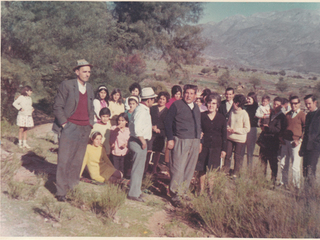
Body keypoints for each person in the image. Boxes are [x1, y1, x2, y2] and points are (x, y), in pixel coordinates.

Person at [52, 59, 94, 202]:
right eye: (84, 71)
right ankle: (61, 192)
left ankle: (71, 189)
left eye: (89, 71)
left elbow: (91, 108)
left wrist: (91, 124)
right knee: (64, 160)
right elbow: (57, 106)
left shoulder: (90, 88)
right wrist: (64, 124)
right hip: (70, 127)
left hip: (84, 128)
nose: (87, 74)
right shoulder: (67, 85)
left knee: (77, 161)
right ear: (77, 72)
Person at [164, 84, 201, 206]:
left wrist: (199, 141)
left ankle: (183, 192)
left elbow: (198, 125)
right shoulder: (176, 105)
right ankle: (175, 195)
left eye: (191, 93)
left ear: (195, 95)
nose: (188, 95)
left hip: (194, 141)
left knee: (189, 168)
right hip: (180, 139)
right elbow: (167, 122)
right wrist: (170, 139)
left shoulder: (196, 107)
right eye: (187, 93)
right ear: (183, 93)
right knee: (178, 168)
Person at [127, 87, 157, 202]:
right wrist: (143, 141)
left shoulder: (142, 109)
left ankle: (136, 191)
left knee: (139, 168)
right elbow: (137, 127)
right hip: (138, 141)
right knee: (137, 168)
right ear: (148, 99)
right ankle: (133, 193)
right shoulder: (141, 110)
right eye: (153, 99)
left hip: (139, 141)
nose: (154, 101)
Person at [196, 92, 227, 195]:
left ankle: (211, 191)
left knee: (212, 170)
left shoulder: (221, 118)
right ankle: (201, 190)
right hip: (203, 147)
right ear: (206, 104)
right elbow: (198, 130)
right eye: (209, 103)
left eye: (214, 103)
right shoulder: (201, 116)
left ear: (217, 105)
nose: (211, 105)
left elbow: (224, 135)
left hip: (216, 148)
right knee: (202, 169)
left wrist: (224, 149)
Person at [258, 97, 287, 185]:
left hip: (273, 141)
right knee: (262, 159)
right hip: (264, 140)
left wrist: (268, 127)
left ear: (281, 105)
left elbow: (279, 129)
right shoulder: (269, 113)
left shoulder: (282, 116)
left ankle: (273, 179)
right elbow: (262, 121)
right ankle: (261, 178)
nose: (275, 106)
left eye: (277, 104)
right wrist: (262, 125)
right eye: (274, 104)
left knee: (273, 161)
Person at [279, 96, 305, 189]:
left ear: (299, 103)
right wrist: (281, 137)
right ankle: (283, 183)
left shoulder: (302, 115)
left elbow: (305, 129)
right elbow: (283, 127)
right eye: (292, 103)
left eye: (296, 103)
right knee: (283, 163)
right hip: (285, 141)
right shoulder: (288, 114)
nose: (294, 105)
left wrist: (299, 140)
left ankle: (296, 186)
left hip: (296, 143)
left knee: (295, 165)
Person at [223, 94, 250, 178]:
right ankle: (225, 171)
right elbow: (228, 123)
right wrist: (228, 127)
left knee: (237, 156)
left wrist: (236, 130)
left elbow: (247, 129)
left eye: (234, 103)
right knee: (227, 155)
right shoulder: (232, 112)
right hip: (230, 137)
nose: (232, 104)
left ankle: (235, 173)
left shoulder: (244, 114)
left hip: (240, 139)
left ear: (237, 103)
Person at [145, 91, 170, 175]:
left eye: (163, 99)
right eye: (160, 99)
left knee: (158, 152)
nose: (161, 101)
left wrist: (160, 130)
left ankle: (154, 169)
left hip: (160, 134)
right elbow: (147, 120)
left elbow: (167, 124)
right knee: (149, 151)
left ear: (166, 100)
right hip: (150, 133)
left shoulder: (168, 111)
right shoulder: (152, 108)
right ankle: (145, 168)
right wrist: (152, 127)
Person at [299, 94, 320, 187]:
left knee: (311, 171)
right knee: (305, 171)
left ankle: (311, 196)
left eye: (309, 104)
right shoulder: (308, 115)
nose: (307, 106)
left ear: (315, 102)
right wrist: (302, 148)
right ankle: (306, 193)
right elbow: (306, 133)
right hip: (306, 147)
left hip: (315, 148)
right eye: (306, 104)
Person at [243, 92, 259, 170]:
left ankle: (249, 169)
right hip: (243, 129)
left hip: (251, 129)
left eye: (249, 99)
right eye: (247, 98)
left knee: (250, 151)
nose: (247, 100)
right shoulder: (244, 107)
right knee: (241, 149)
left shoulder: (257, 108)